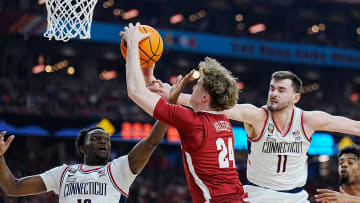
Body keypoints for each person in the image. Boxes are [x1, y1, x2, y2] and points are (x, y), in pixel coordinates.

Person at [150, 70, 360, 202]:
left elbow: (353, 126)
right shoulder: (257, 116)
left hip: (296, 197)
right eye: (271, 88)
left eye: (281, 90)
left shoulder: (309, 119)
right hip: (258, 195)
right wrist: (175, 96)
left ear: (296, 97)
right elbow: (215, 105)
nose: (274, 93)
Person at [121, 22, 248, 203]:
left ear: (205, 97)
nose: (192, 87)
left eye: (197, 85)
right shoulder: (222, 120)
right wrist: (149, 75)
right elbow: (181, 106)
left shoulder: (193, 122)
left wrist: (133, 45)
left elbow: (135, 92)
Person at [0, 83, 184, 202]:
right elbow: (12, 187)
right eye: (96, 139)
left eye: (106, 139)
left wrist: (170, 104)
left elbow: (151, 142)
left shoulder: (119, 169)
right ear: (83, 148)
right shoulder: (63, 173)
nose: (103, 141)